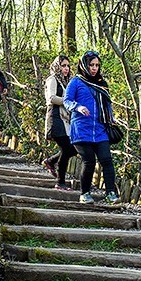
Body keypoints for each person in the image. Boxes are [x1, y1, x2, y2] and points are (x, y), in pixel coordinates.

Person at [63, 50, 120, 204]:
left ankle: (110, 194)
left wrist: (112, 120)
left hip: (100, 130)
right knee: (89, 161)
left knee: (107, 160)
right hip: (81, 129)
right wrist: (77, 106)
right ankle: (85, 194)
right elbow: (66, 101)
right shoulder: (75, 82)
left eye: (97, 65)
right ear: (84, 65)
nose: (94, 68)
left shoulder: (102, 84)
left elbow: (107, 105)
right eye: (91, 65)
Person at [42, 55, 77, 191]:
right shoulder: (52, 80)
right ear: (57, 66)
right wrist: (68, 101)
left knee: (72, 149)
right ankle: (60, 182)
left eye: (68, 65)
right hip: (55, 117)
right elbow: (51, 98)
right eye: (63, 65)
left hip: (66, 119)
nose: (66, 68)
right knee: (67, 148)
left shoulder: (69, 81)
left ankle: (51, 161)